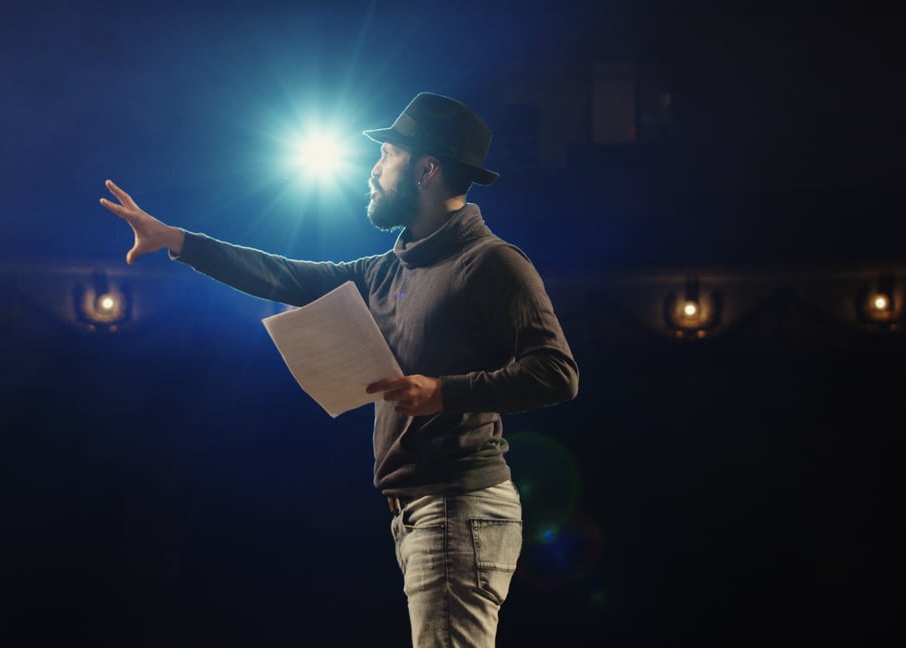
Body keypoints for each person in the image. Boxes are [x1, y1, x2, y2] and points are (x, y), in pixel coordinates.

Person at [99, 91, 579, 647]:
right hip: (421, 511)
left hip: (459, 507)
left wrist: (442, 392)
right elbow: (282, 276)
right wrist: (178, 241)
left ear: (427, 169)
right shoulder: (383, 271)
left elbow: (556, 372)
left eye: (387, 156)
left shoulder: (492, 263)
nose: (373, 171)